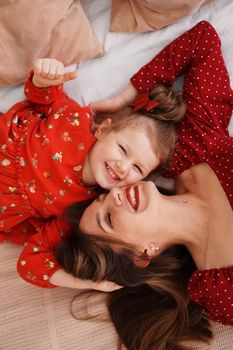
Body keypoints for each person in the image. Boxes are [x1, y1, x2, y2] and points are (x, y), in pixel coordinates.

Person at [16, 20, 233, 349]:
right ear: (143, 256)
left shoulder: (189, 148)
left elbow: (201, 40)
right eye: (108, 219)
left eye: (103, 197)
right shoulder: (217, 289)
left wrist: (124, 100)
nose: (114, 195)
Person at [0, 57, 185, 235]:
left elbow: (50, 235)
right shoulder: (76, 122)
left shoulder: (90, 205)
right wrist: (43, 79)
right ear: (103, 130)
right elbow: (44, 98)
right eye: (122, 149)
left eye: (137, 168)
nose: (123, 167)